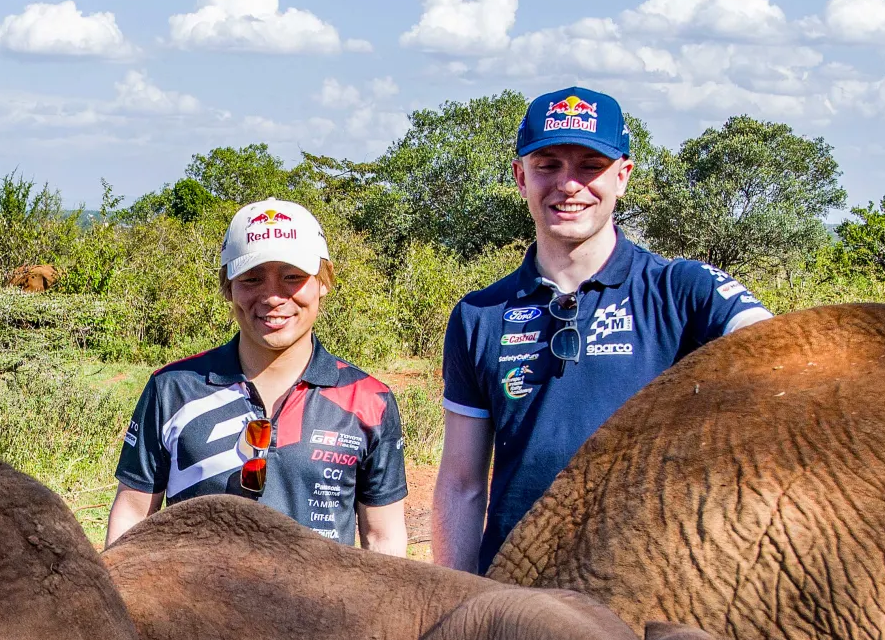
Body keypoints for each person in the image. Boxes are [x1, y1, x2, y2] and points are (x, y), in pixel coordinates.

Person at [432, 86, 772, 575]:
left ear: (623, 177)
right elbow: (462, 483)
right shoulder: (479, 314)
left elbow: (786, 354)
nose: (569, 185)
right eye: (548, 165)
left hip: (645, 583)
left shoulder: (683, 290)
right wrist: (457, 604)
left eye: (590, 166)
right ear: (520, 177)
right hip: (518, 589)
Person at [107, 197, 409, 553]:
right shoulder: (173, 388)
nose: (272, 297)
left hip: (319, 608)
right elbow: (131, 517)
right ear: (227, 287)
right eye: (251, 278)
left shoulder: (367, 399)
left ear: (323, 282)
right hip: (194, 607)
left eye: (293, 277)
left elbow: (382, 537)